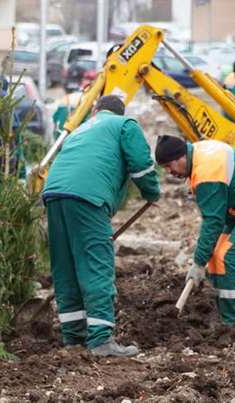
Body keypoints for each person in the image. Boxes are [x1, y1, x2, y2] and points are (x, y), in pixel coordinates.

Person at [42, 95, 160, 357]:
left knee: (67, 266)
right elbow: (141, 165)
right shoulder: (124, 124)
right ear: (120, 112)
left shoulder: (81, 129)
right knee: (96, 264)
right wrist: (152, 192)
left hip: (53, 195)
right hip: (87, 197)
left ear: (95, 110)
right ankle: (101, 341)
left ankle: (73, 338)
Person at [154, 135, 235, 325]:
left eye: (169, 166)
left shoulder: (207, 172)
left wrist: (198, 263)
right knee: (215, 256)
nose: (169, 172)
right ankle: (221, 314)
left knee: (228, 257)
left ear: (181, 157)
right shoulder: (197, 153)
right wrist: (204, 257)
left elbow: (213, 221)